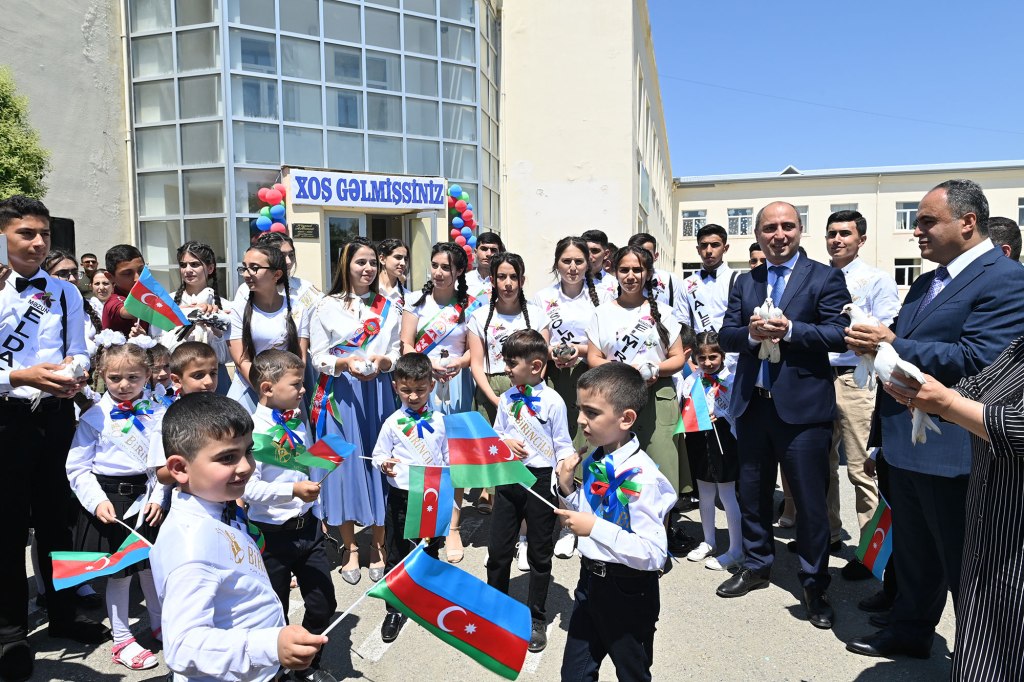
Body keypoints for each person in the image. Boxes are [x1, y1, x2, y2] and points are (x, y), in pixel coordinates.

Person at [845, 179, 1024, 659]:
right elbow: (906, 344)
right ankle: (909, 633)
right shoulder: (928, 281)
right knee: (915, 553)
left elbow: (981, 360)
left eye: (927, 221)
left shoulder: (1006, 278)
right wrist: (878, 342)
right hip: (905, 442)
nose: (916, 231)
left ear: (968, 222)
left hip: (955, 449)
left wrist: (891, 344)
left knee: (967, 565)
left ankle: (981, 655)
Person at [715, 201, 850, 633]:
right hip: (753, 405)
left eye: (787, 226)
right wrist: (750, 334)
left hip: (803, 410)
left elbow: (838, 334)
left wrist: (791, 330)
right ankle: (757, 564)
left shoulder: (825, 277)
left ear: (799, 230)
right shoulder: (746, 280)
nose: (779, 234)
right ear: (758, 234)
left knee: (810, 501)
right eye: (770, 227)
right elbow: (726, 334)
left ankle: (814, 582)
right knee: (753, 492)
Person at [0, 196, 107, 682]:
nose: (38, 242)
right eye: (26, 233)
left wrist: (73, 372)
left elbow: (79, 350)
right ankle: (10, 635)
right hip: (7, 419)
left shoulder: (64, 292)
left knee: (57, 522)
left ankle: (65, 614)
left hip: (56, 416)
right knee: (7, 528)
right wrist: (19, 376)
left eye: (44, 233)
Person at [153, 393, 327, 681]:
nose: (246, 466)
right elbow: (182, 646)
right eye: (227, 458)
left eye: (248, 451)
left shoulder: (221, 505)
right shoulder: (191, 546)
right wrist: (268, 646)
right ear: (180, 468)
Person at [882, 335, 1024, 681]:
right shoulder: (1020, 347)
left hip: (1015, 534)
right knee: (982, 632)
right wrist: (925, 393)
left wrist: (946, 405)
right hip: (989, 521)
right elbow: (977, 385)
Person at [554, 363, 676, 682]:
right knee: (574, 674)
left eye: (591, 413)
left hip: (628, 590)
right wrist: (567, 488)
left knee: (632, 673)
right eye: (579, 409)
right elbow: (590, 512)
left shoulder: (644, 478)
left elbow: (653, 554)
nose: (580, 420)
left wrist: (594, 528)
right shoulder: (597, 458)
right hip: (589, 582)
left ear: (626, 419)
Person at [65, 338, 166, 671]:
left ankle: (159, 623)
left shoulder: (158, 412)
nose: (124, 385)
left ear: (148, 375)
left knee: (151, 567)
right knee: (120, 575)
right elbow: (78, 467)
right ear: (102, 376)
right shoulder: (94, 416)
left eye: (133, 377)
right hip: (111, 502)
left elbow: (164, 464)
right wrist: (97, 502)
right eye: (115, 378)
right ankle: (122, 639)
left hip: (148, 500)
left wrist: (159, 496)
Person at [244, 350, 339, 682]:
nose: (303, 389)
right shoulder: (252, 430)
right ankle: (277, 671)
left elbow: (308, 468)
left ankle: (306, 665)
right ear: (268, 388)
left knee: (323, 604)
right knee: (274, 612)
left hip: (308, 528)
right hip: (271, 535)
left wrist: (317, 511)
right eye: (296, 384)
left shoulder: (296, 419)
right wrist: (292, 491)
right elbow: (248, 489)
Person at [308, 238, 398, 585]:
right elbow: (317, 356)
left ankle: (378, 544)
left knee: (381, 462)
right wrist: (343, 363)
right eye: (361, 262)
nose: (368, 268)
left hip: (378, 393)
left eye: (373, 262)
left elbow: (396, 353)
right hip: (341, 394)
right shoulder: (325, 306)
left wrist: (385, 362)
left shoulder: (388, 307)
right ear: (345, 265)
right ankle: (350, 547)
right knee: (343, 466)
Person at [822, 210, 900, 580]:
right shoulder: (818, 277)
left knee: (861, 468)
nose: (837, 240)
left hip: (856, 378)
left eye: (845, 234)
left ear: (861, 240)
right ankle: (829, 533)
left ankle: (872, 552)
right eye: (832, 234)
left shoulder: (876, 279)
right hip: (817, 378)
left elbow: (887, 328)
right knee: (820, 464)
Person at [487, 330, 574, 653]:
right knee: (498, 549)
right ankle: (494, 610)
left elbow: (562, 444)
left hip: (540, 480)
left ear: (535, 366)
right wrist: (505, 442)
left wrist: (565, 471)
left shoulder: (553, 401)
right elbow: (496, 434)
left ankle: (536, 617)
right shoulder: (507, 398)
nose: (506, 369)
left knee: (539, 552)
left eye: (512, 363)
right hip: (510, 478)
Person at [586, 244, 688, 497]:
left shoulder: (664, 312)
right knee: (615, 470)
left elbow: (678, 358)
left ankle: (660, 523)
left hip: (657, 398)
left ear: (648, 273)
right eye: (624, 270)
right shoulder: (601, 314)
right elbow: (593, 358)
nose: (630, 276)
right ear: (614, 272)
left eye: (637, 270)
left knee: (661, 473)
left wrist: (654, 368)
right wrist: (623, 371)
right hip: (615, 399)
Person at [468, 252, 549, 545]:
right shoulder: (479, 316)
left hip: (529, 390)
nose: (508, 283)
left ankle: (526, 530)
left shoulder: (537, 315)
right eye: (501, 277)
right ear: (492, 280)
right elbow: (476, 363)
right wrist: (497, 398)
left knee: (528, 455)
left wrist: (523, 393)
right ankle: (500, 527)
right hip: (492, 389)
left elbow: (542, 360)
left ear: (522, 280)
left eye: (513, 277)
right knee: (497, 455)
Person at [400, 242, 474, 562]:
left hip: (457, 384)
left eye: (446, 267)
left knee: (455, 457)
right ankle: (425, 522)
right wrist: (427, 366)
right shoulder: (415, 301)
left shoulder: (469, 305)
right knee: (423, 453)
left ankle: (453, 526)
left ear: (459, 271)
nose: (439, 272)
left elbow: (475, 350)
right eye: (435, 265)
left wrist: (459, 362)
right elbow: (406, 344)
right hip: (422, 385)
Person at [370, 353, 448, 644]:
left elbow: (448, 457)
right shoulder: (392, 423)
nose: (413, 396)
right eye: (406, 390)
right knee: (398, 553)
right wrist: (384, 464)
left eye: (420, 389)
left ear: (431, 385)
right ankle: (394, 608)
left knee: (430, 549)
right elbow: (378, 455)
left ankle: (428, 598)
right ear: (395, 387)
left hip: (431, 496)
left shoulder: (440, 421)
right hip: (401, 497)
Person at [531, 236, 604, 448]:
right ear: (556, 263)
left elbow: (609, 345)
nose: (573, 267)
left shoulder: (604, 296)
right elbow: (536, 342)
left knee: (588, 437)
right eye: (566, 261)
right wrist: (552, 352)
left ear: (588, 263)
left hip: (592, 373)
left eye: (579, 261)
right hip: (554, 374)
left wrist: (579, 351)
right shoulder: (542, 297)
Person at [680, 331, 742, 571]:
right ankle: (709, 541)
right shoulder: (691, 380)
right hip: (698, 438)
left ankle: (736, 549)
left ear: (722, 356)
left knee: (726, 494)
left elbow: (739, 409)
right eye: (702, 358)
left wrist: (722, 413)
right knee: (705, 492)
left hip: (724, 439)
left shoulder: (732, 379)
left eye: (712, 357)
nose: (707, 362)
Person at [228, 245, 309, 412]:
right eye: (244, 268)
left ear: (276, 274)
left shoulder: (297, 308)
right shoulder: (238, 309)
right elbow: (241, 360)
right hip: (250, 391)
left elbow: (300, 358)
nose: (246, 274)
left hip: (287, 395)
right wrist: (266, 391)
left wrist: (284, 391)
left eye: (254, 268)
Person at [149, 341, 222, 486]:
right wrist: (199, 462)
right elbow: (162, 474)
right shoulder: (169, 420)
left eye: (213, 373)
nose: (209, 381)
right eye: (199, 375)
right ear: (177, 380)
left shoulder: (223, 412)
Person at [161, 241, 230, 393]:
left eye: (194, 264)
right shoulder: (168, 303)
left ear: (210, 268)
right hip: (178, 380)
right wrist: (186, 327)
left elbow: (226, 357)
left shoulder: (225, 306)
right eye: (183, 265)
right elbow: (163, 350)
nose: (188, 270)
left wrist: (216, 328)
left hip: (215, 382)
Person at [44, 250, 102, 357]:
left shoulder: (91, 306)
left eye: (75, 273)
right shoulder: (39, 308)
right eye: (62, 274)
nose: (72, 279)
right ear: (45, 275)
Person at [682, 224, 738, 334]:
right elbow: (683, 320)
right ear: (698, 250)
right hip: (696, 344)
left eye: (715, 245)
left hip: (729, 343)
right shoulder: (686, 284)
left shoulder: (737, 280)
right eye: (704, 245)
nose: (708, 250)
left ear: (725, 248)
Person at [627, 233, 687, 324]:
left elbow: (679, 314)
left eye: (646, 253)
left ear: (656, 256)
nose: (640, 258)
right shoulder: (621, 281)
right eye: (635, 253)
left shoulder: (670, 279)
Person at [101, 244, 147, 336]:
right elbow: (128, 311)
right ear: (110, 276)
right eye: (127, 273)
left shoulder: (144, 296)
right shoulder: (113, 301)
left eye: (141, 271)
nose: (137, 278)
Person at [464, 231, 505, 309]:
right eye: (484, 249)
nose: (488, 254)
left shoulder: (504, 282)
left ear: (499, 254)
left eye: (493, 250)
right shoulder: (464, 280)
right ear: (475, 252)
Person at [580, 229, 618, 300]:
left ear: (606, 254)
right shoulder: (571, 282)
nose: (589, 256)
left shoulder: (615, 283)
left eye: (594, 251)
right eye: (585, 250)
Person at [376, 237, 409, 308]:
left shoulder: (408, 296)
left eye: (405, 259)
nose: (403, 263)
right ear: (382, 259)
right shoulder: (367, 291)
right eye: (398, 257)